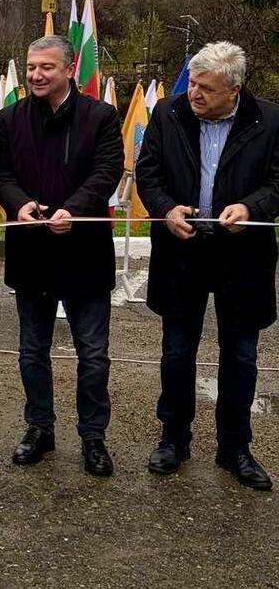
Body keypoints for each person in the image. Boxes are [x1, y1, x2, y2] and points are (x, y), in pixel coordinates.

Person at [136, 41, 278, 491]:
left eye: (207, 88)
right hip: (182, 252)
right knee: (177, 352)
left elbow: (278, 182)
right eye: (193, 83)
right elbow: (148, 172)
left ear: (234, 90)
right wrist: (165, 209)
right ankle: (173, 439)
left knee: (241, 355)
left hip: (244, 256)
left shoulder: (270, 120)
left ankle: (235, 448)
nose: (194, 94)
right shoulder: (168, 114)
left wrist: (251, 207)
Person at [0, 35, 123, 477]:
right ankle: (39, 428)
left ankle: (93, 437)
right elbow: (1, 172)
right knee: (32, 351)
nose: (35, 75)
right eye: (31, 67)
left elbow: (108, 170)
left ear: (69, 69)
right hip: (31, 253)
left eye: (46, 67)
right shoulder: (10, 118)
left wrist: (77, 208)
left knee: (94, 354)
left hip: (84, 252)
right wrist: (19, 203)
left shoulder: (101, 116)